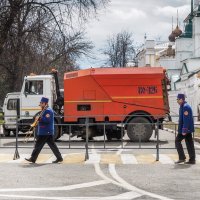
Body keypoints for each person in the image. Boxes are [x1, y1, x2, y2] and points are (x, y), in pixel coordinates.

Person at [25, 97, 63, 163]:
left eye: (41, 103)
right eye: (40, 103)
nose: (40, 104)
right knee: (52, 146)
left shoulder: (48, 111)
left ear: (45, 103)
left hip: (45, 131)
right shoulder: (44, 110)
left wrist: (39, 119)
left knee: (38, 145)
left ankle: (33, 158)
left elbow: (47, 120)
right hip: (45, 131)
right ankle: (59, 158)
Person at [175, 93, 196, 164]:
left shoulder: (185, 107)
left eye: (177, 99)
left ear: (181, 99)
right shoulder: (183, 106)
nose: (177, 101)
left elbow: (186, 120)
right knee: (189, 143)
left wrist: (184, 130)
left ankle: (182, 158)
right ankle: (192, 159)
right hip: (187, 129)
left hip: (185, 129)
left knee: (177, 141)